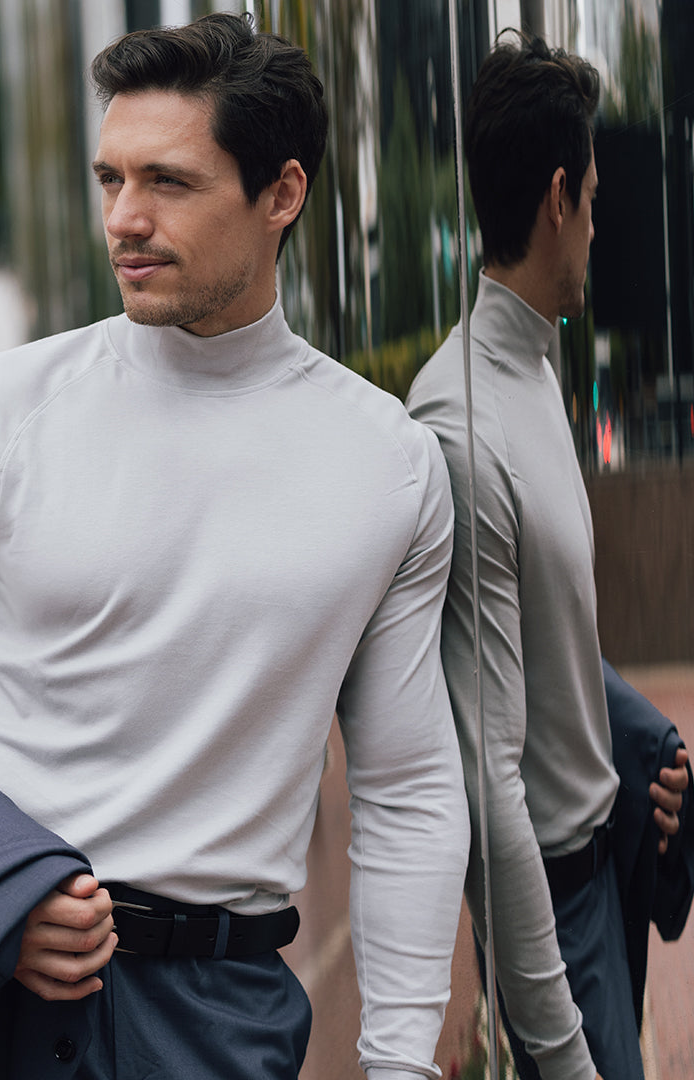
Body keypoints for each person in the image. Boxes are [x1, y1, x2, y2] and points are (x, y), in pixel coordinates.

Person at [0, 13, 469, 1079]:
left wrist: (401, 1063)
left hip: (219, 1016)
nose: (125, 219)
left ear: (282, 194)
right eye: (110, 179)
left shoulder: (388, 463)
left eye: (170, 182)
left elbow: (408, 788)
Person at [406, 31, 691, 1080]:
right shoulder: (462, 430)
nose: (598, 230)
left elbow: (551, 631)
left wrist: (646, 747)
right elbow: (487, 783)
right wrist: (558, 1043)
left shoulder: (533, 366)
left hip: (604, 869)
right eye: (598, 203)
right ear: (560, 196)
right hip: (559, 921)